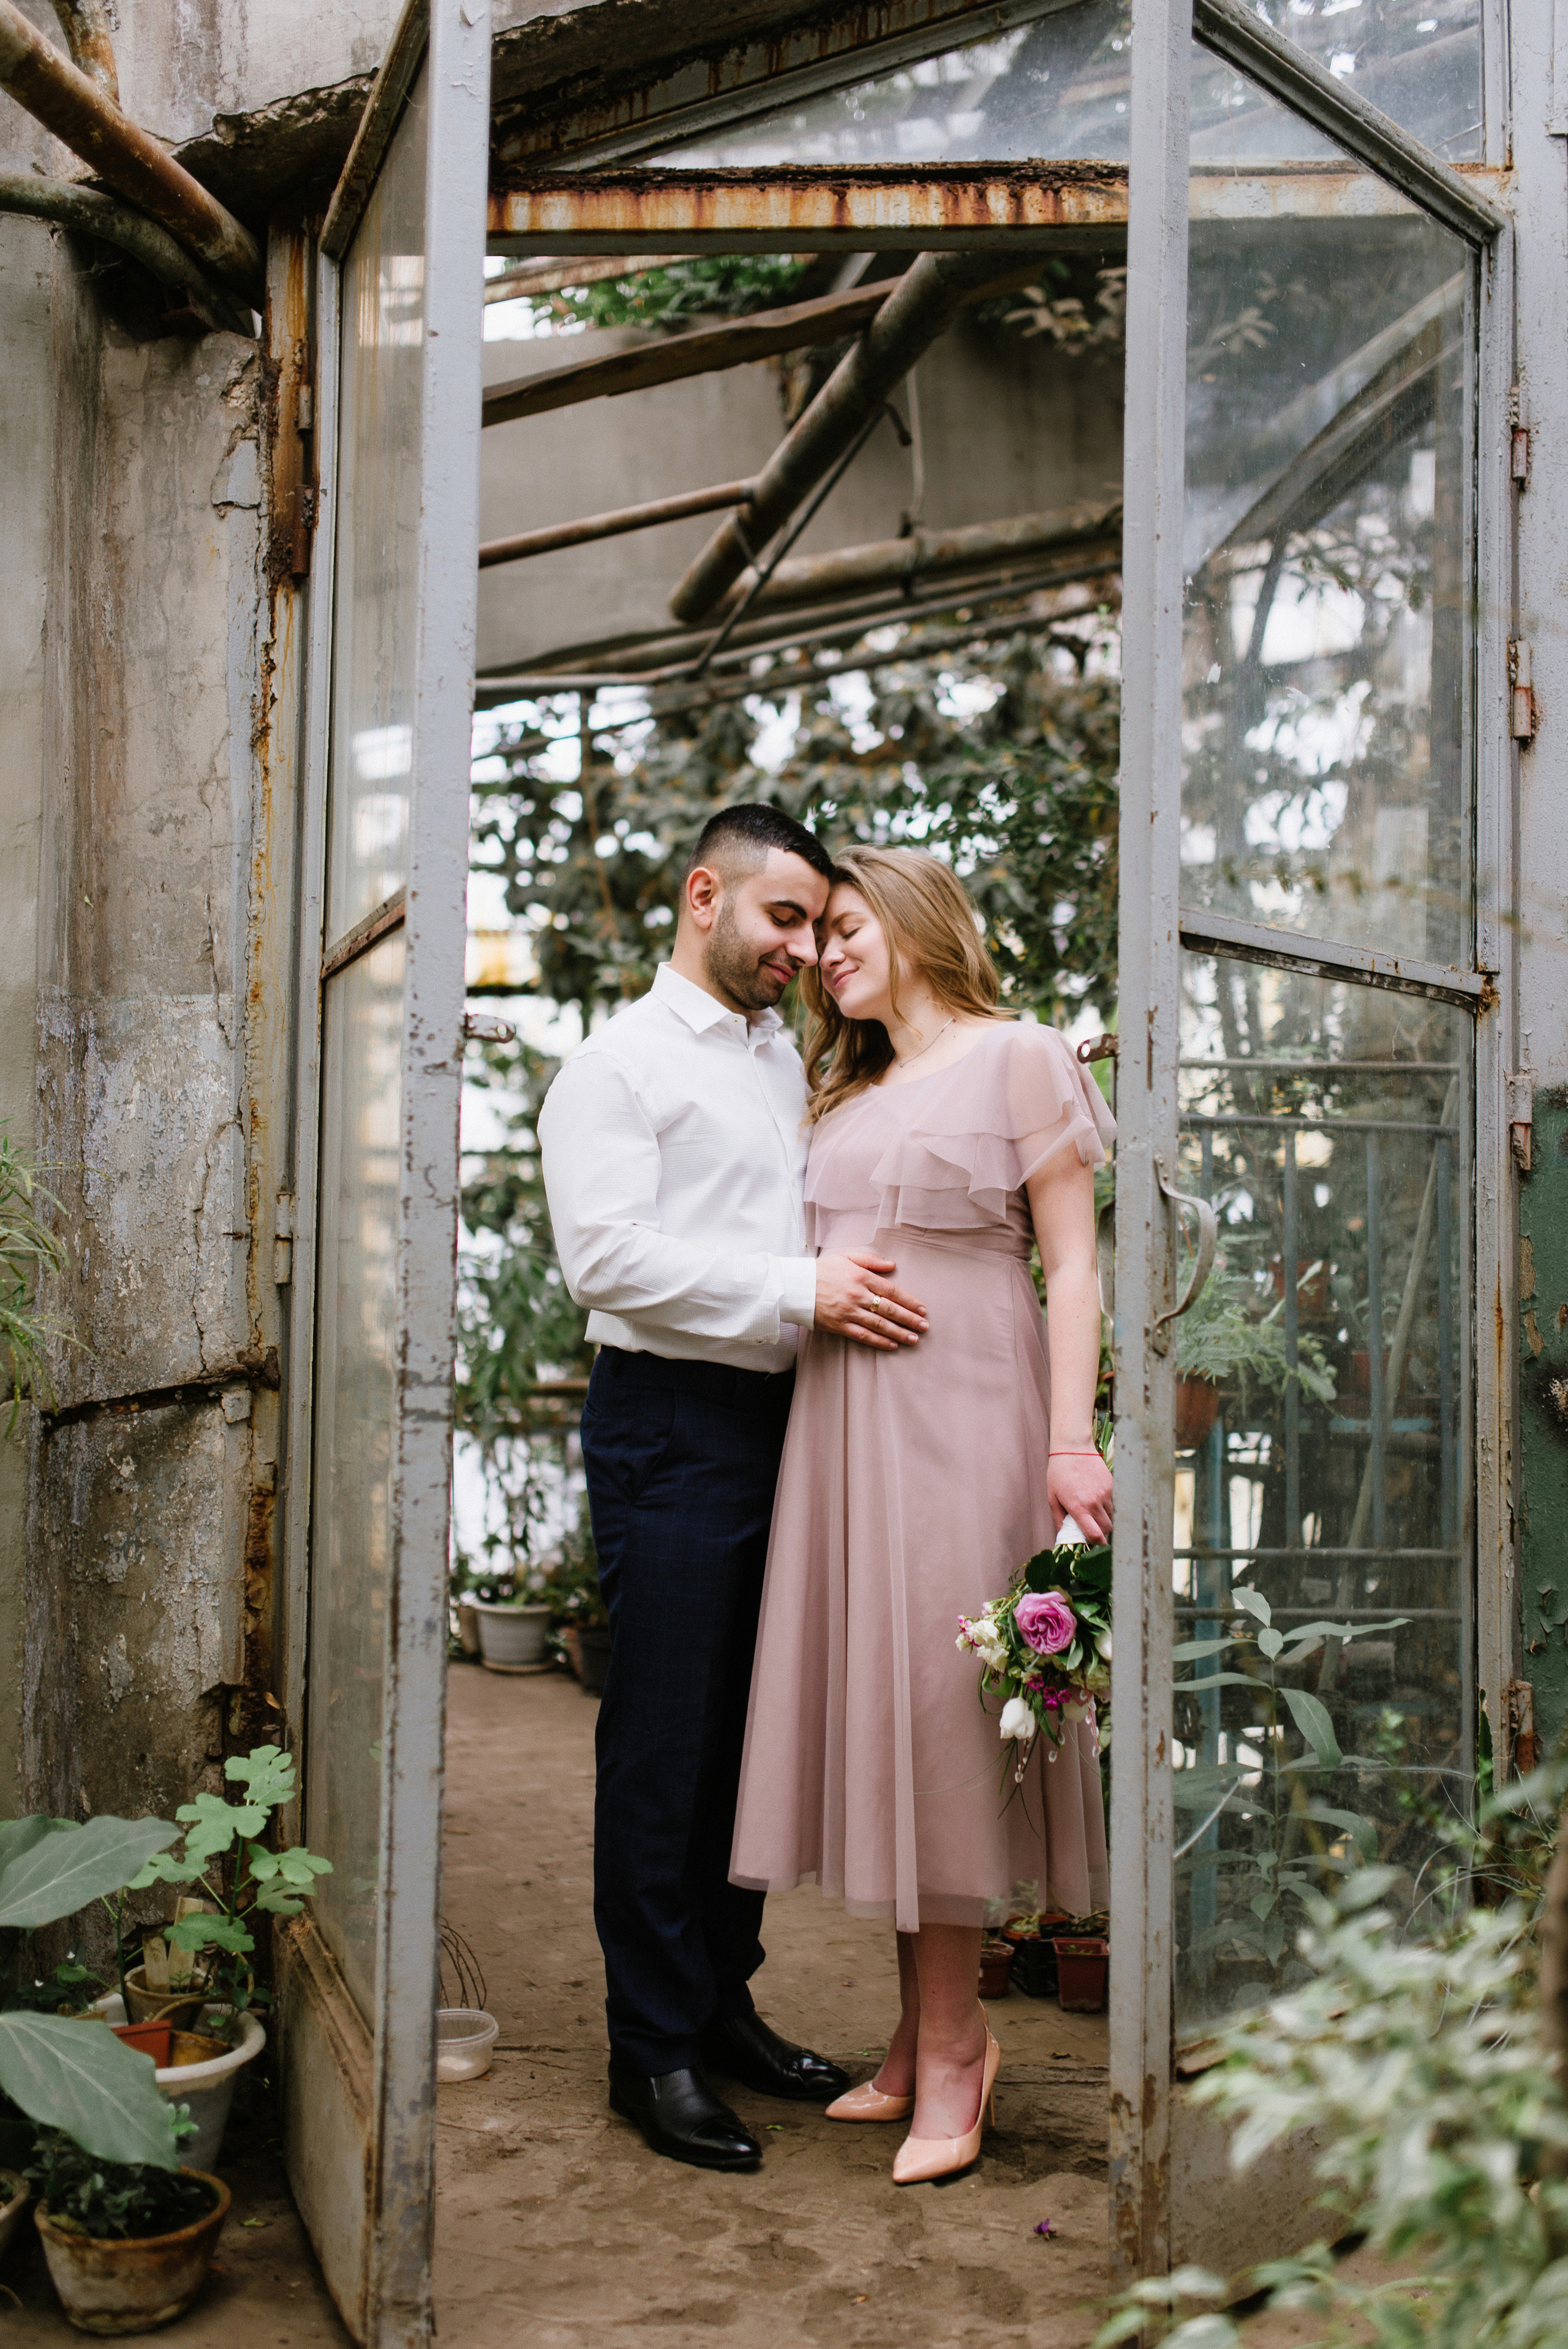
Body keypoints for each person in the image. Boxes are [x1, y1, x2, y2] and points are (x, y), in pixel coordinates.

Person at [538, 804, 932, 2173]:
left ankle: (717, 2008)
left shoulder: (784, 1062)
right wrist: (796, 1290)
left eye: (820, 928)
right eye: (783, 919)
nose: (801, 950)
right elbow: (605, 1262)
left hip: (792, 1420)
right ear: (706, 894)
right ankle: (647, 2051)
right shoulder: (617, 1068)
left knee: (747, 1739)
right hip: (669, 1425)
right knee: (662, 1746)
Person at [729, 844, 1114, 2186]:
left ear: (912, 917)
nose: (827, 953)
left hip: (966, 1414)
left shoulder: (1018, 1055)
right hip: (843, 1434)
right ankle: (912, 2033)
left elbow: (1071, 1258)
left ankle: (957, 2052)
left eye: (845, 927)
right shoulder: (849, 1091)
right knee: (895, 1718)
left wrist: (1069, 1442)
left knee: (949, 1720)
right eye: (816, 934)